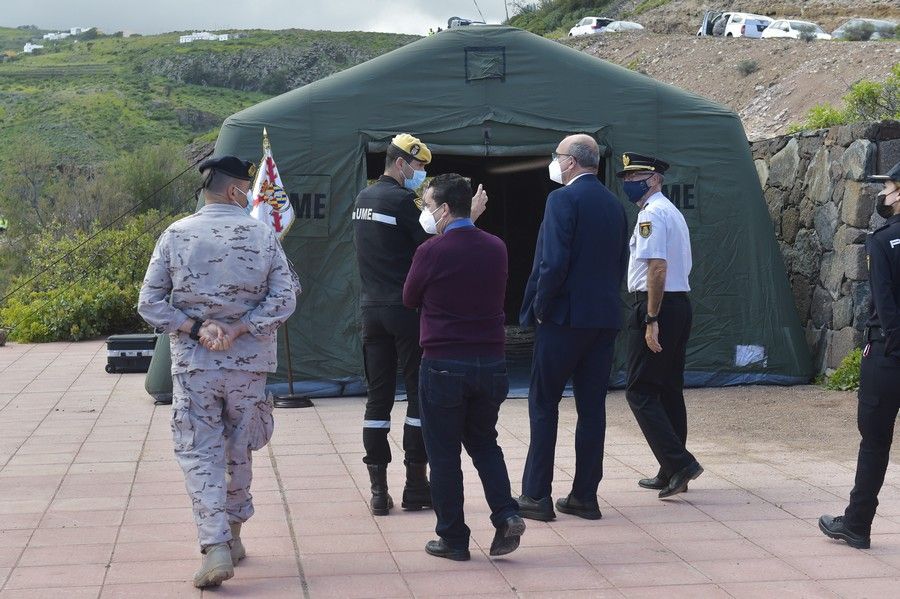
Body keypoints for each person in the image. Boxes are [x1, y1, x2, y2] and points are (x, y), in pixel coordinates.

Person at [138, 156, 299, 588]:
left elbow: (150, 303)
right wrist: (241, 327)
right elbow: (285, 299)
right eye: (247, 188)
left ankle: (216, 546)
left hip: (196, 367)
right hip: (248, 368)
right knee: (239, 446)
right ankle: (234, 534)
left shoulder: (175, 234)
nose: (250, 194)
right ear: (234, 191)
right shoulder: (263, 234)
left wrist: (195, 327)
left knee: (200, 451)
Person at [352, 133, 487, 516]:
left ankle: (378, 492)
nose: (421, 174)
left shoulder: (363, 199)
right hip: (406, 310)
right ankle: (415, 485)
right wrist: (470, 216)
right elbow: (438, 243)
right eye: (419, 167)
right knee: (417, 396)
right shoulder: (402, 202)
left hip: (370, 309)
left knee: (377, 399)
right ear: (400, 164)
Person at [403, 173, 525, 561]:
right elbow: (470, 246)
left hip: (443, 362)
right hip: (490, 361)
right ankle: (506, 513)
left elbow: (410, 297)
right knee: (485, 444)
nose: (424, 212)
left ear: (442, 208)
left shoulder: (431, 251)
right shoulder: (496, 247)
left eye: (426, 205)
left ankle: (453, 538)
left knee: (443, 455)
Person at [518, 134, 629, 522]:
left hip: (564, 318)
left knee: (544, 403)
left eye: (558, 156)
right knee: (592, 408)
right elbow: (620, 262)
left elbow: (553, 262)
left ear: (570, 162)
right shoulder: (615, 204)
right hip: (603, 318)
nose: (555, 161)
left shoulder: (561, 199)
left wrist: (540, 308)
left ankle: (535, 495)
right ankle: (585, 495)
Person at [820, 161, 900, 550]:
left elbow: (885, 304)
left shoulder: (884, 240)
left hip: (888, 354)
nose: (882, 194)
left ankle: (856, 524)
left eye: (887, 186)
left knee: (875, 442)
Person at [619, 152, 701, 499]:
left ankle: (679, 463)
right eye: (624, 178)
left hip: (659, 305)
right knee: (667, 388)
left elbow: (656, 268)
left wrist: (651, 318)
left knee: (639, 390)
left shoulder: (651, 214)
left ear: (654, 179)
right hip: (678, 303)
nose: (627, 183)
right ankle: (671, 469)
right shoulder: (669, 211)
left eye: (634, 176)